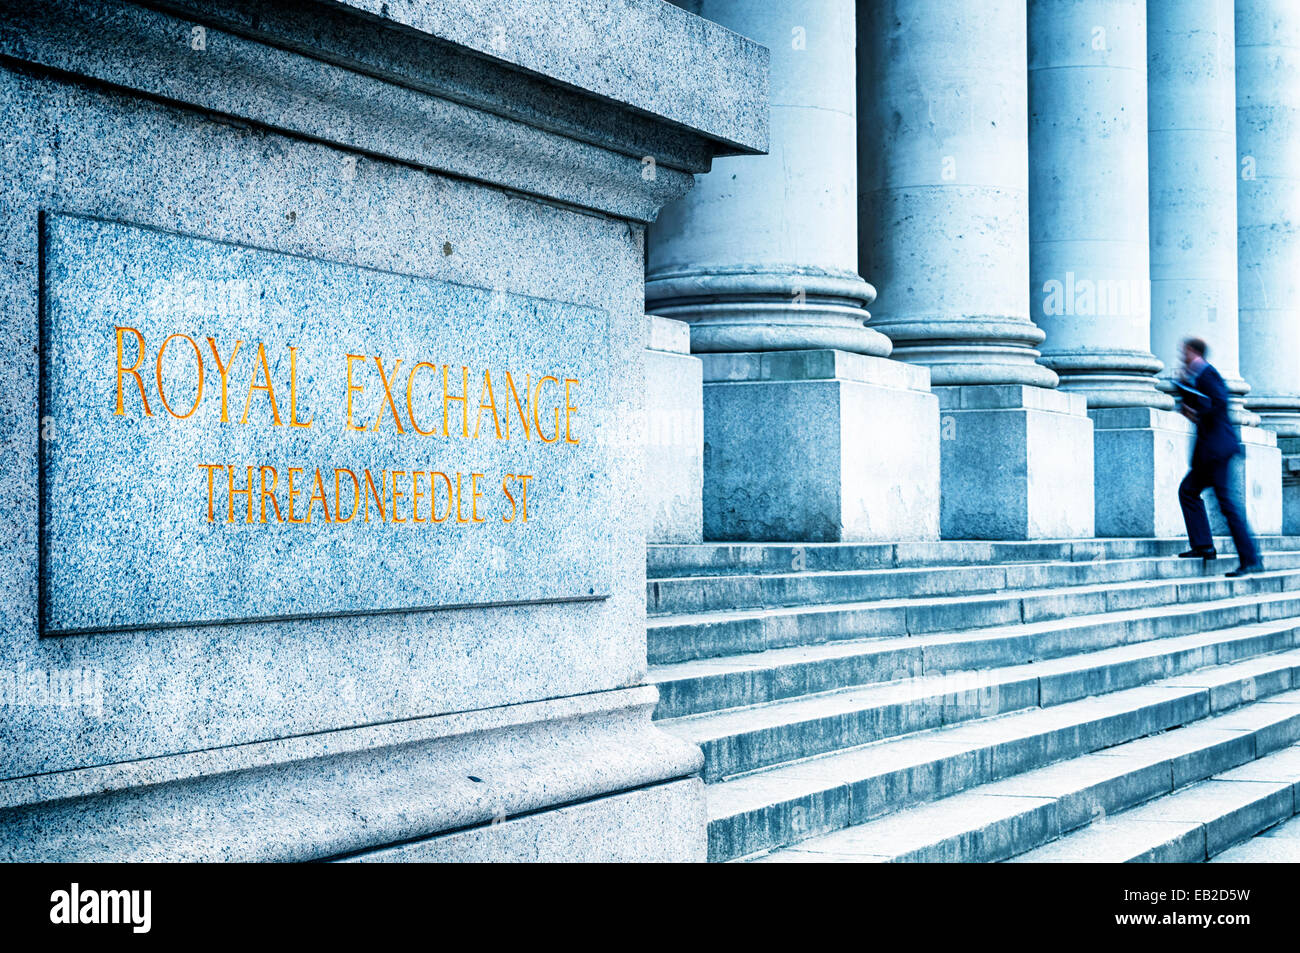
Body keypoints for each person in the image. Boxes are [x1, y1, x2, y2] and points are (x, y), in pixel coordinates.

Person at [1174, 337, 1262, 576]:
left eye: (1185, 352)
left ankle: (1251, 560)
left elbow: (1219, 403)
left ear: (1194, 352)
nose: (1182, 356)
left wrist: (1196, 406)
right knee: (1188, 492)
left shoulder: (1207, 374)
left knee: (1228, 507)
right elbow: (1205, 410)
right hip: (1208, 454)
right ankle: (1203, 546)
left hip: (1217, 452)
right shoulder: (1197, 377)